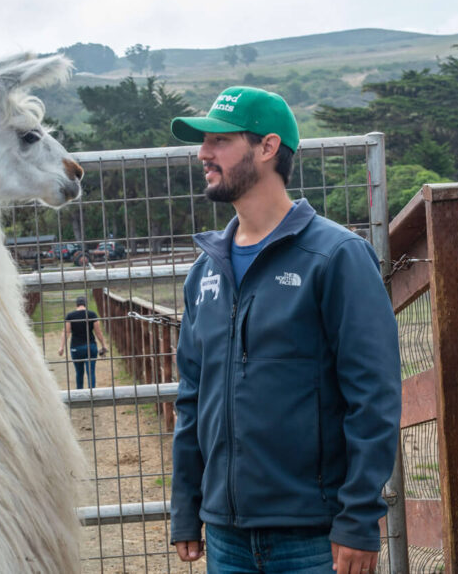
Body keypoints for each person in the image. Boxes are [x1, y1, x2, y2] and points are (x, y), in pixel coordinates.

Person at [168, 87, 401, 573]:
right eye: (203, 142)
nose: (203, 153)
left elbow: (373, 397)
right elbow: (192, 395)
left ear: (268, 147)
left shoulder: (336, 257)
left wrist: (358, 517)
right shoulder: (204, 272)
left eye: (220, 140)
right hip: (226, 539)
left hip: (315, 540)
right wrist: (186, 506)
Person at [58, 296, 108, 389]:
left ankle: (79, 393)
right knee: (91, 372)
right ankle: (92, 394)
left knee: (79, 373)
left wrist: (61, 347)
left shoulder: (70, 316)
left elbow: (66, 332)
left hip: (76, 348)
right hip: (90, 346)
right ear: (85, 304)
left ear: (76, 304)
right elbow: (98, 332)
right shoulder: (92, 314)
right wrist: (103, 345)